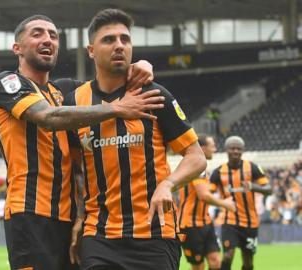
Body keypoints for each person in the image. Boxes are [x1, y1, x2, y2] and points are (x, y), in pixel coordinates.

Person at [0, 14, 163, 270]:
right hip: (30, 214)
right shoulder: (8, 83)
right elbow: (48, 117)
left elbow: (109, 80)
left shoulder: (64, 92)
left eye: (53, 35)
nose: (47, 39)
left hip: (72, 218)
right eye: (37, 34)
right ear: (17, 48)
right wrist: (116, 109)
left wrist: (140, 66)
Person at [65, 9, 207, 270]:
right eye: (109, 40)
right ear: (91, 50)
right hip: (100, 236)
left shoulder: (154, 94)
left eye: (125, 39)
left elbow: (196, 157)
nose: (119, 45)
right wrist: (79, 220)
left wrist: (168, 184)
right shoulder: (74, 101)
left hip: (155, 235)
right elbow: (75, 170)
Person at [210, 136, 272, 270]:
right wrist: (221, 203)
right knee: (227, 256)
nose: (235, 151)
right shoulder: (219, 172)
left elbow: (269, 189)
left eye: (238, 149)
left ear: (243, 150)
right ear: (226, 150)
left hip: (250, 223)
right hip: (229, 221)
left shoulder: (252, 168)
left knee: (248, 261)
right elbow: (207, 195)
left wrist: (252, 186)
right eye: (232, 148)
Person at [178, 134, 236, 270]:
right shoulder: (195, 166)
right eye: (212, 146)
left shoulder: (202, 168)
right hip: (190, 225)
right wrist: (225, 204)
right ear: (202, 149)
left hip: (206, 222)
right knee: (198, 266)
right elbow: (203, 195)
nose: (215, 149)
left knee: (215, 261)